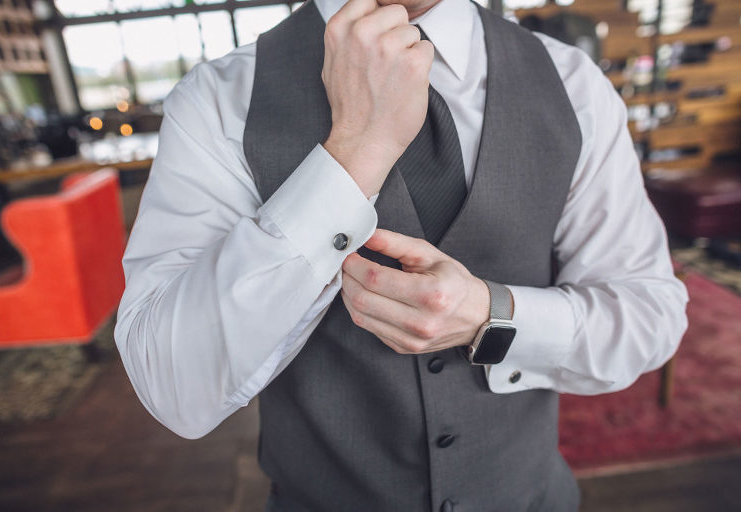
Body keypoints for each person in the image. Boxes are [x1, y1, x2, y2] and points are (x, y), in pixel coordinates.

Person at [114, 0, 689, 509]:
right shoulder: (217, 99)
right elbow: (172, 386)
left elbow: (649, 315)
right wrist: (355, 151)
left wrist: (494, 318)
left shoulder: (572, 83)